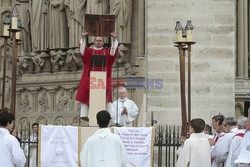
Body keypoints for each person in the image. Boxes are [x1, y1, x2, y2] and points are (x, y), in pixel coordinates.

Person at [75, 30, 119, 119]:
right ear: (94, 42)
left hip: (104, 79)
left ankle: (107, 115)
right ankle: (85, 115)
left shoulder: (106, 53)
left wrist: (114, 39)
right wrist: (83, 37)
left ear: (103, 42)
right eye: (97, 40)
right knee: (87, 95)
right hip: (89, 78)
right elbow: (82, 50)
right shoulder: (89, 52)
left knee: (106, 96)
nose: (98, 42)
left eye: (100, 41)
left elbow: (113, 52)